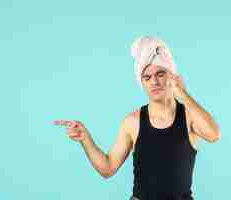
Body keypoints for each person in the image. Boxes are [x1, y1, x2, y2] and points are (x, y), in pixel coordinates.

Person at [53, 36, 221, 200]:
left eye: (160, 74)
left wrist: (183, 93)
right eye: (147, 77)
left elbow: (213, 135)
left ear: (172, 76)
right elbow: (108, 168)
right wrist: (85, 139)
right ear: (142, 82)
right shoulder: (132, 122)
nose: (154, 81)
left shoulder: (190, 116)